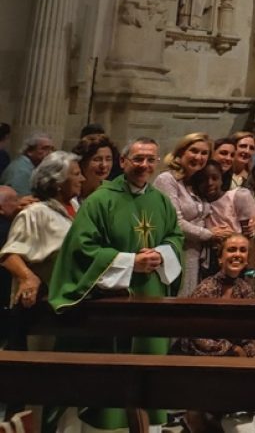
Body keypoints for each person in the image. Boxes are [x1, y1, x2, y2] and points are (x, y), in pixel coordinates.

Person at [48, 137, 183, 431]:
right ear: (123, 162)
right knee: (113, 380)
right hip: (115, 302)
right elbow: (82, 249)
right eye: (138, 159)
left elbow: (175, 237)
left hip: (151, 300)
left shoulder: (160, 201)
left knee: (150, 374)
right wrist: (130, 262)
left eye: (150, 159)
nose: (144, 165)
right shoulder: (100, 199)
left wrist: (161, 254)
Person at [175, 233, 255, 433]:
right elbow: (195, 333)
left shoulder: (246, 289)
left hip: (233, 358)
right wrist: (232, 349)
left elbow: (251, 329)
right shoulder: (207, 288)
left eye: (242, 250)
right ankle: (195, 418)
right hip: (202, 356)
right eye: (231, 250)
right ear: (220, 258)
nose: (236, 254)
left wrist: (249, 353)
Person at [2, 150, 82, 356]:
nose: (82, 178)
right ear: (57, 180)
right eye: (76, 173)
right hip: (41, 306)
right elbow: (9, 254)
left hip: (71, 301)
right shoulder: (35, 212)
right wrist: (27, 277)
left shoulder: (75, 207)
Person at [155, 132, 225, 295]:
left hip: (197, 255)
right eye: (194, 151)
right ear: (181, 152)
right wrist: (209, 234)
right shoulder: (167, 180)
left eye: (204, 153)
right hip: (177, 252)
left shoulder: (194, 183)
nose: (198, 157)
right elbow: (175, 222)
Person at [0, 132, 54, 196]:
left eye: (51, 149)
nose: (50, 153)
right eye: (44, 148)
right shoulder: (21, 170)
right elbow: (22, 200)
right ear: (29, 151)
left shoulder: (32, 166)